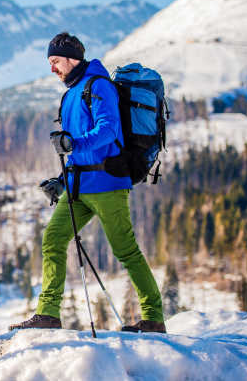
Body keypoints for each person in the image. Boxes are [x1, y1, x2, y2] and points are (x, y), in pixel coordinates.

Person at [9, 32, 165, 333]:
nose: (52, 68)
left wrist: (73, 143)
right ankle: (48, 314)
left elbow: (108, 131)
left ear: (71, 58)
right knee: (53, 239)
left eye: (55, 61)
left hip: (107, 183)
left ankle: (154, 318)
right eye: (50, 62)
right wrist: (60, 180)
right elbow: (72, 147)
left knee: (126, 251)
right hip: (79, 186)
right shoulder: (71, 93)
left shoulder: (99, 86)